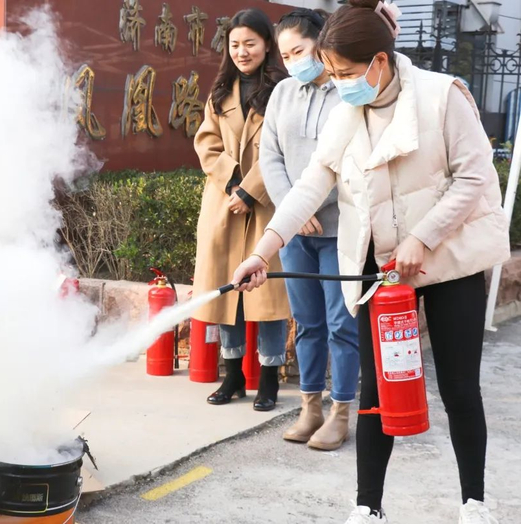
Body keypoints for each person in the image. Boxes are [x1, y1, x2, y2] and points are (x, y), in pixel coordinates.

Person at [231, 0, 510, 522]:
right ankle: (368, 507)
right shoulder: (348, 111)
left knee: (457, 385)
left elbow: (474, 178)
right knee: (376, 388)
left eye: (345, 73)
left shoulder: (440, 96)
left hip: (449, 260)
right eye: (332, 74)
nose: (338, 84)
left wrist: (424, 238)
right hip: (378, 264)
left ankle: (474, 500)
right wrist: (262, 252)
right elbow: (312, 184)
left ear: (379, 62)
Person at [261, 8, 359, 451]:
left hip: (341, 228)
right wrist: (292, 209)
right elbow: (271, 157)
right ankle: (310, 407)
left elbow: (356, 162)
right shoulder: (282, 93)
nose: (292, 61)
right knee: (306, 322)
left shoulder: (349, 92)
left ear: (322, 43)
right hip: (295, 231)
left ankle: (340, 412)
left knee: (342, 323)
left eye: (299, 50)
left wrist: (319, 204)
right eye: (285, 55)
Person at [193, 8, 290, 412]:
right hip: (223, 205)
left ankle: (267, 379)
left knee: (265, 295)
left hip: (267, 207)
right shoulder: (220, 92)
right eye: (234, 44)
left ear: (267, 44)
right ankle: (232, 374)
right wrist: (233, 181)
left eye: (250, 43)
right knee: (226, 293)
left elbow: (288, 149)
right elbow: (206, 143)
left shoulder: (284, 91)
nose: (242, 51)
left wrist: (251, 190)